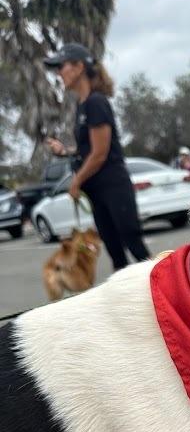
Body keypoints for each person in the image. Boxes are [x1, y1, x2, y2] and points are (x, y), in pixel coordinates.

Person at [44, 42, 150, 271]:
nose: (59, 73)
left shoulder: (96, 103)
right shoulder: (83, 107)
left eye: (61, 66)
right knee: (114, 251)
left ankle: (166, 295)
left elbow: (100, 154)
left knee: (134, 245)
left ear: (79, 67)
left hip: (113, 186)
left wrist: (77, 181)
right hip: (98, 192)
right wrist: (65, 151)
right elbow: (89, 150)